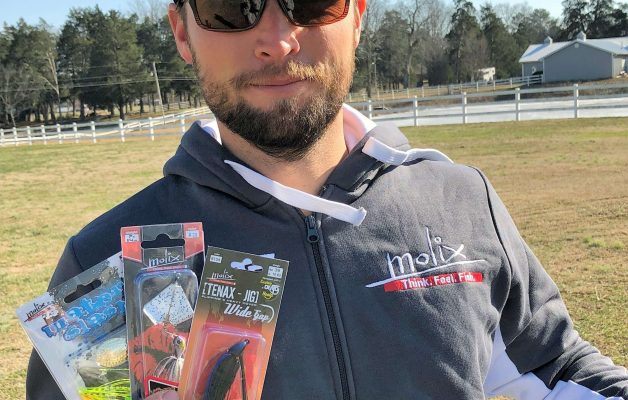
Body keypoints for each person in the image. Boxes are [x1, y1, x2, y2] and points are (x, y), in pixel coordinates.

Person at [26, 0, 628, 399]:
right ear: (183, 31)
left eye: (312, 1)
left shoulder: (463, 201)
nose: (277, 40)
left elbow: (553, 367)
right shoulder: (109, 258)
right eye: (228, 7)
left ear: (358, 14)